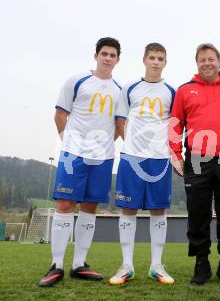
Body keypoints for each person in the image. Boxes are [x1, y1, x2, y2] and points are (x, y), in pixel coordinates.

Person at [38, 37, 122, 287]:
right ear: (95, 55)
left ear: (118, 59)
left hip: (103, 158)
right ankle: (56, 266)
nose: (108, 58)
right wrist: (68, 143)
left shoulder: (119, 89)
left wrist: (105, 144)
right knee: (65, 204)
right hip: (73, 155)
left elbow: (118, 125)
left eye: (112, 55)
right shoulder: (76, 81)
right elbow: (60, 115)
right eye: (104, 53)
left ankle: (79, 265)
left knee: (90, 207)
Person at [169, 43, 220, 285]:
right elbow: (175, 126)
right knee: (198, 214)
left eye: (211, 59)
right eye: (202, 59)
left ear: (219, 61)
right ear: (197, 63)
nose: (207, 63)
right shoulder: (185, 90)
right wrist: (176, 154)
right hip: (196, 160)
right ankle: (201, 263)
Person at [109, 43, 175, 285]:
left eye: (160, 58)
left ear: (165, 62)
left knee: (159, 210)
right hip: (132, 157)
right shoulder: (130, 88)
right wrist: (135, 146)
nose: (156, 62)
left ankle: (156, 266)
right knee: (128, 209)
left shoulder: (171, 91)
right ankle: (127, 265)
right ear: (144, 60)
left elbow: (176, 125)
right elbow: (120, 122)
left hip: (160, 159)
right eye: (152, 58)